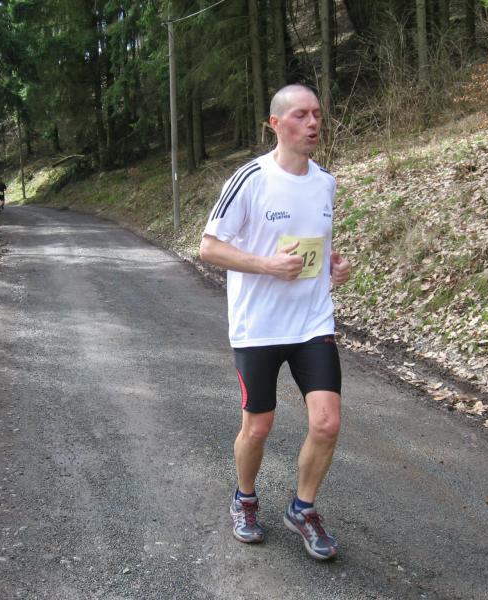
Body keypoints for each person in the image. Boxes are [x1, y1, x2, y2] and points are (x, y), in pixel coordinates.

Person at [199, 84, 352, 561]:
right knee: (258, 427)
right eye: (301, 115)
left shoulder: (325, 182)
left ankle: (303, 509)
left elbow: (319, 243)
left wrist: (335, 265)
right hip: (259, 326)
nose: (313, 123)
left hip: (312, 322)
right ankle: (245, 498)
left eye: (317, 114)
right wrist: (266, 265)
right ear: (276, 124)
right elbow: (209, 247)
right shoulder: (251, 178)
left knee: (327, 422)